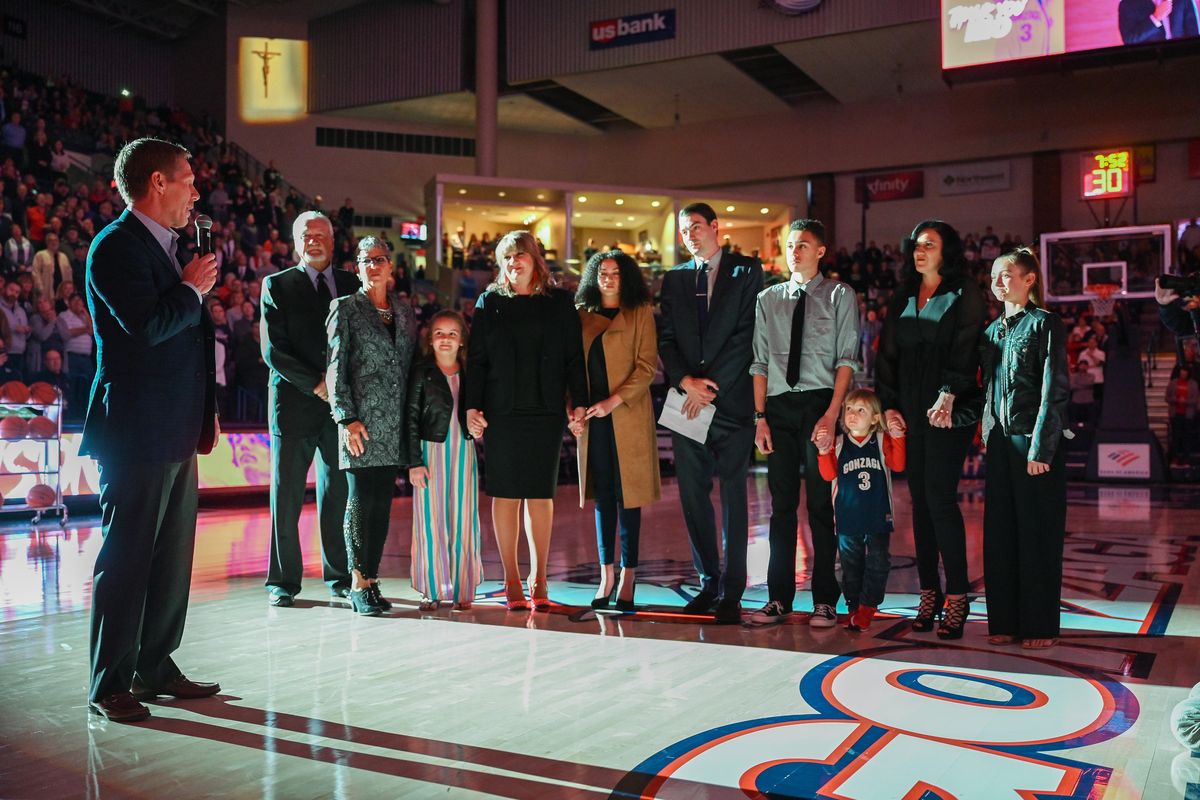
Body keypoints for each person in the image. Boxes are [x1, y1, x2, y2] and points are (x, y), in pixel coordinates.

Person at [81, 137, 220, 723]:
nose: (196, 189)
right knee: (129, 557)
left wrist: (203, 409)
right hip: (136, 431)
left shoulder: (171, 248)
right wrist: (190, 289)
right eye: (188, 178)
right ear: (158, 182)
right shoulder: (115, 247)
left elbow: (187, 342)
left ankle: (155, 663)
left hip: (176, 428)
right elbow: (145, 328)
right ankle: (109, 681)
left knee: (170, 557)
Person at [464, 230, 586, 611]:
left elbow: (572, 358)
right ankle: (512, 577)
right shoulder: (489, 302)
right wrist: (472, 406)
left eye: (519, 255)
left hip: (545, 410)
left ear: (535, 258)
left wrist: (578, 403)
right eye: (505, 258)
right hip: (502, 411)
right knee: (505, 493)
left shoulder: (560, 303)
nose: (513, 263)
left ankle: (540, 576)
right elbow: (478, 360)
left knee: (539, 494)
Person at [875, 219, 986, 640]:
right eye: (916, 245)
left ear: (947, 251)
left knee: (939, 499)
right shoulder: (902, 294)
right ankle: (929, 592)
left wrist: (947, 392)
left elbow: (966, 349)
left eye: (929, 245)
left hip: (948, 411)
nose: (919, 251)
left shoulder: (965, 294)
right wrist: (888, 407)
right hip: (909, 411)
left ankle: (957, 594)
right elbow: (886, 354)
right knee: (918, 503)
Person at [748, 219, 859, 627]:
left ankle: (826, 600)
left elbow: (847, 357)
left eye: (803, 245)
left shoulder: (839, 295)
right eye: (790, 245)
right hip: (777, 406)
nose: (795, 252)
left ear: (820, 251)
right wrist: (759, 417)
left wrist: (832, 414)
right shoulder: (767, 299)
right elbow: (758, 361)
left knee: (819, 507)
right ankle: (778, 598)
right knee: (779, 507)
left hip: (819, 406)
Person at [658, 203, 763, 624]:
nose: (691, 235)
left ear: (715, 227)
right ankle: (708, 582)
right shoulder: (674, 278)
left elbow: (746, 335)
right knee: (692, 497)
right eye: (684, 231)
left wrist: (709, 387)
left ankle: (733, 592)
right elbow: (666, 338)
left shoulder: (746, 270)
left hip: (731, 399)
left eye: (697, 227)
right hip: (685, 401)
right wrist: (686, 381)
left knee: (736, 498)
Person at [260, 211, 359, 607]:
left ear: (333, 243)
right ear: (295, 241)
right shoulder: (277, 285)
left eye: (321, 235)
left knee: (337, 496)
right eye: (306, 234)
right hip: (294, 406)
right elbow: (273, 351)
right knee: (286, 497)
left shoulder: (353, 286)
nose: (314, 240)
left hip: (340, 411)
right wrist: (319, 384)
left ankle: (338, 576)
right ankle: (282, 582)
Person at [981, 248, 1069, 650]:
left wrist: (1041, 448)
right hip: (999, 443)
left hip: (1033, 443)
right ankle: (1005, 620)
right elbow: (986, 391)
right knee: (1000, 534)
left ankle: (1039, 625)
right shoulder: (991, 331)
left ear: (1030, 279)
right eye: (996, 276)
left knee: (1037, 534)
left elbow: (1054, 389)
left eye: (1008, 274)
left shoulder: (1046, 323)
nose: (999, 282)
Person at [326, 236, 416, 615]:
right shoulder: (344, 308)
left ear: (390, 267)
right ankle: (358, 581)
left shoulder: (405, 312)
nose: (373, 266)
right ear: (357, 267)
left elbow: (409, 369)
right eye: (366, 260)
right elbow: (335, 366)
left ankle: (374, 579)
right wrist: (345, 417)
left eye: (380, 259)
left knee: (383, 503)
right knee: (361, 501)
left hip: (392, 424)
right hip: (359, 422)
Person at [570, 250, 660, 612]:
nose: (608, 278)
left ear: (627, 278)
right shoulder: (580, 315)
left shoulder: (639, 312)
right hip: (593, 421)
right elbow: (572, 369)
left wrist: (614, 400)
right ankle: (605, 574)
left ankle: (628, 574)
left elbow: (646, 367)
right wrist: (572, 410)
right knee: (603, 497)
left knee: (629, 497)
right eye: (602, 272)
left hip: (628, 416)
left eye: (615, 273)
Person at [406, 310, 482, 611]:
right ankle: (431, 589)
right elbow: (410, 418)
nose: (446, 339)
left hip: (462, 452)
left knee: (463, 519)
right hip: (429, 453)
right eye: (439, 333)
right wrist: (413, 461)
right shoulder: (422, 373)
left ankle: (463, 590)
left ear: (462, 340)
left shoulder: (471, 374)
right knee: (430, 522)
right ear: (430, 339)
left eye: (452, 333)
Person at [816, 389, 906, 632]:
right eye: (849, 410)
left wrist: (897, 437)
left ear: (876, 418)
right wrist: (823, 451)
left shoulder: (880, 439)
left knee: (878, 561)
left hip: (877, 515)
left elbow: (898, 465)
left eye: (860, 410)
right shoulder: (838, 443)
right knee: (850, 566)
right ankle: (853, 606)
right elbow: (827, 475)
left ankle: (868, 606)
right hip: (847, 518)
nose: (852, 415)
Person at [1119, 0, 1199, 43]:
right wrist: (1155, 18)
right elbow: (1129, 39)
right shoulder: (1128, 4)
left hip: (1182, 59)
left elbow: (1193, 33)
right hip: (1151, 64)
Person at [1167, 366, 1199, 463]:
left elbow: (1195, 400)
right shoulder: (1173, 384)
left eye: (1185, 373)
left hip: (1187, 414)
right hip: (1175, 413)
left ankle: (1186, 459)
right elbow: (1167, 398)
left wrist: (1185, 401)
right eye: (1181, 373)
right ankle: (1174, 458)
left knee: (1187, 437)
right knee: (1176, 436)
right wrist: (1176, 400)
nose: (1183, 375)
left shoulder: (1193, 384)